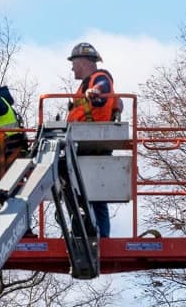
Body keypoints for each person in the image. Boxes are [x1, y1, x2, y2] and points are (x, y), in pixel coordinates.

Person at [67, 42, 118, 238]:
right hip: (83, 142)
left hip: (92, 143)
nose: (72, 67)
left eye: (74, 62)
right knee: (83, 193)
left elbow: (102, 89)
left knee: (94, 194)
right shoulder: (85, 83)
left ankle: (100, 236)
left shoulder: (99, 78)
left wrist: (95, 91)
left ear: (84, 61)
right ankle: (85, 231)